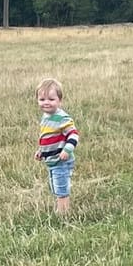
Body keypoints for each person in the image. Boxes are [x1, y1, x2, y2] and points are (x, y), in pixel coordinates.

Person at [34, 78, 79, 214]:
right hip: (51, 160)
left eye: (51, 99)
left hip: (61, 159)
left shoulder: (62, 118)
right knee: (55, 186)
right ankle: (61, 208)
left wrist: (67, 150)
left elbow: (73, 135)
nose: (46, 102)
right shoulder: (46, 117)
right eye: (42, 99)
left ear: (60, 100)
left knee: (61, 188)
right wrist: (41, 151)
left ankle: (63, 213)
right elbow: (47, 137)